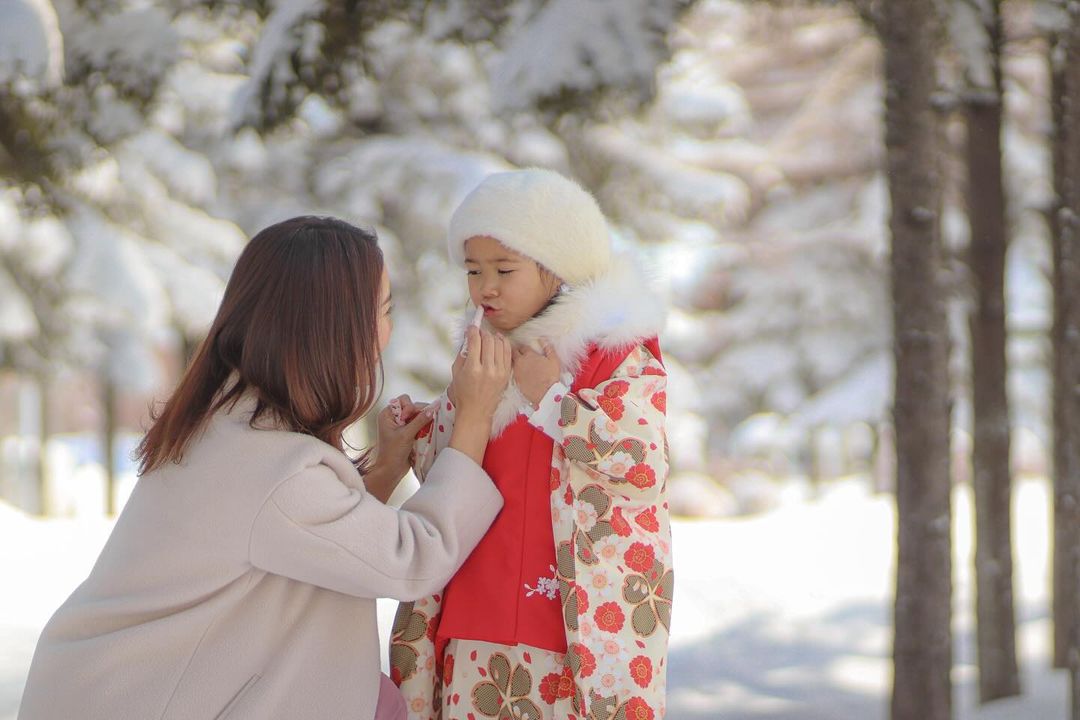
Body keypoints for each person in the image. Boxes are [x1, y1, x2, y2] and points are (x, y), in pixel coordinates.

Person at [18, 216, 512, 720]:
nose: (386, 333)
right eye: (382, 312)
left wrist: (384, 469)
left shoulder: (230, 425)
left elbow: (309, 542)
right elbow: (413, 561)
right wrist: (474, 417)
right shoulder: (271, 466)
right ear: (334, 329)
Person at [389, 170, 672, 720]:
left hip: (573, 630)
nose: (485, 287)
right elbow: (452, 471)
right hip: (475, 615)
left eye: (504, 270)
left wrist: (553, 398)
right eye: (473, 271)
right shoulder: (484, 356)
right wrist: (421, 433)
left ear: (557, 268)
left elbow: (642, 462)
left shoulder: (612, 353)